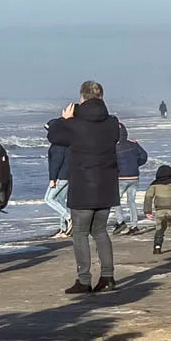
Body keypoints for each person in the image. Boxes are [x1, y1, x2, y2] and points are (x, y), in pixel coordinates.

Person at [47, 82, 122, 294]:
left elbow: (53, 135)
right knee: (100, 231)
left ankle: (84, 279)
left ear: (81, 99)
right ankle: (108, 277)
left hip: (82, 187)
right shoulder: (112, 122)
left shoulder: (75, 124)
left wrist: (64, 119)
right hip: (106, 186)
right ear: (101, 96)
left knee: (80, 233)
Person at [115, 125, 149, 233]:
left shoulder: (114, 147)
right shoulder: (133, 144)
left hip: (121, 178)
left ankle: (121, 221)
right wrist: (136, 164)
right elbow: (144, 156)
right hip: (134, 176)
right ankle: (134, 225)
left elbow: (110, 163)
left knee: (115, 200)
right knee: (131, 201)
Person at [41, 139, 71, 238]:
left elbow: (55, 164)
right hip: (68, 175)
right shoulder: (68, 143)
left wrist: (52, 179)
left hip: (60, 176)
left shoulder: (57, 146)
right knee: (60, 200)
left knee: (48, 199)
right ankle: (63, 229)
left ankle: (69, 217)